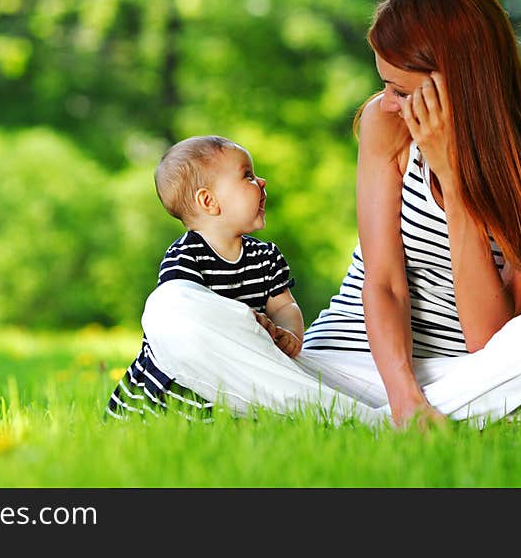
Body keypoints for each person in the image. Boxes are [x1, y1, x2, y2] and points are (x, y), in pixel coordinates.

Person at [137, 0, 521, 429]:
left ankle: (331, 424)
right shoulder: (388, 124)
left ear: (462, 83)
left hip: (461, 377)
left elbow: (486, 337)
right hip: (333, 370)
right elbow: (384, 283)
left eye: (400, 89)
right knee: (171, 309)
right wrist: (403, 398)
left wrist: (454, 178)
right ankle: (390, 426)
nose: (385, 103)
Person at [105, 135, 383, 425]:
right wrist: (244, 319)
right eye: (247, 175)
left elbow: (284, 306)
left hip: (246, 367)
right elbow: (190, 310)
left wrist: (289, 335)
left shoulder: (265, 255)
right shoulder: (186, 255)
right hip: (191, 374)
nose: (261, 181)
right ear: (208, 201)